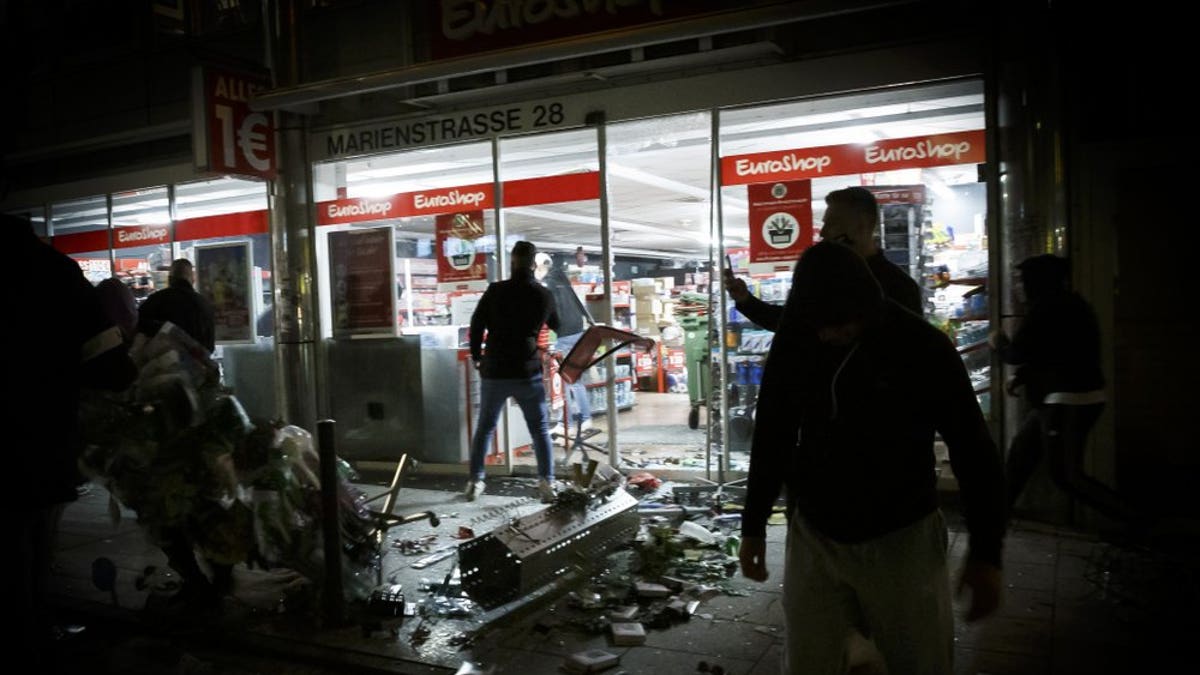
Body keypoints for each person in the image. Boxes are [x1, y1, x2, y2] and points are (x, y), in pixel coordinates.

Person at [738, 241, 1006, 674]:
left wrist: (987, 552)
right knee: (808, 661)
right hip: (816, 532)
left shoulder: (922, 347)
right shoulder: (798, 335)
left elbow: (973, 448)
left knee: (919, 661)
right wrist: (753, 526)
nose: (827, 335)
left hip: (903, 535)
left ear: (868, 309)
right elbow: (773, 431)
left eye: (839, 326)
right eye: (818, 326)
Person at [2, 214, 136, 665]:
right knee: (31, 540)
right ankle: (33, 634)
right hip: (37, 437)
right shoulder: (51, 271)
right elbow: (109, 365)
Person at [991, 254, 1125, 522]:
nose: (1017, 287)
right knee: (1021, 455)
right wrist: (1023, 377)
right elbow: (1057, 351)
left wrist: (999, 342)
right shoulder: (1070, 305)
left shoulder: (1046, 308)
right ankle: (996, 514)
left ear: (1037, 281)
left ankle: (1133, 520)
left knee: (1066, 476)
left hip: (1069, 401)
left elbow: (1018, 353)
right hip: (1064, 398)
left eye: (1021, 280)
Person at [135, 257, 229, 606]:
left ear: (170, 278)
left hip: (165, 409)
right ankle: (220, 571)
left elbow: (140, 346)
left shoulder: (156, 303)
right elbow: (211, 348)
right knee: (204, 490)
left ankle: (193, 577)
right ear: (191, 277)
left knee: (168, 500)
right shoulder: (204, 304)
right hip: (201, 403)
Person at [723, 186, 924, 330]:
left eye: (833, 224)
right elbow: (789, 322)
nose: (823, 233)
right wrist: (746, 300)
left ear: (861, 225)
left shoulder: (899, 287)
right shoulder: (823, 279)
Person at [466, 241, 561, 503]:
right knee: (540, 429)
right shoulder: (543, 294)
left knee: (485, 428)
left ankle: (475, 481)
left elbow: (476, 324)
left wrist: (477, 356)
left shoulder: (495, 291)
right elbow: (557, 324)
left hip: (495, 369)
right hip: (526, 371)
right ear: (534, 264)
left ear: (512, 262)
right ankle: (546, 483)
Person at [535, 252, 593, 437]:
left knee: (565, 381)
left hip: (565, 336)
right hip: (578, 332)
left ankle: (569, 422)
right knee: (574, 380)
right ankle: (581, 419)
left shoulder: (549, 284)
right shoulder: (562, 278)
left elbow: (549, 311)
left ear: (540, 267)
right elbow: (576, 302)